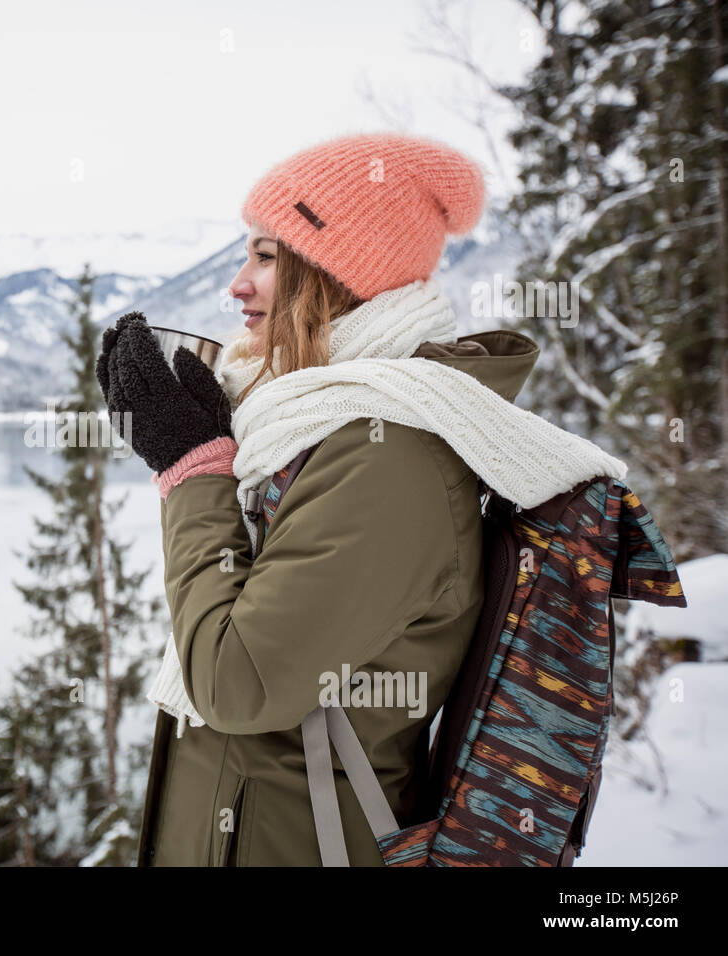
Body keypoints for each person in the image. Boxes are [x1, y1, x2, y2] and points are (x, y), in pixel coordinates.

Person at [96, 131, 626, 866]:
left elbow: (236, 681)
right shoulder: (305, 421)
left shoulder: (390, 456)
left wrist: (191, 467)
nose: (237, 284)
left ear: (337, 273)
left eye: (266, 256)